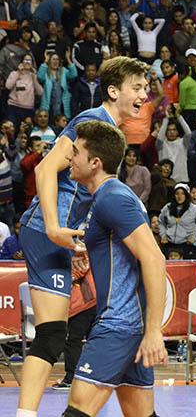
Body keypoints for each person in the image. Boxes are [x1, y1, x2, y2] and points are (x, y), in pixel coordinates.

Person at [16, 56, 150, 417]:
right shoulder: (91, 122)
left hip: (62, 238)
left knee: (55, 334)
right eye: (136, 88)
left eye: (146, 89)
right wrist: (53, 228)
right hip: (46, 233)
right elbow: (45, 169)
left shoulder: (111, 133)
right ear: (112, 90)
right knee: (52, 335)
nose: (144, 96)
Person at [63, 120, 167, 416]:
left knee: (77, 410)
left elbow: (154, 259)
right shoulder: (108, 198)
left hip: (120, 324)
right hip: (128, 323)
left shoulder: (113, 198)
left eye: (75, 152)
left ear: (95, 163)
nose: (69, 158)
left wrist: (153, 332)